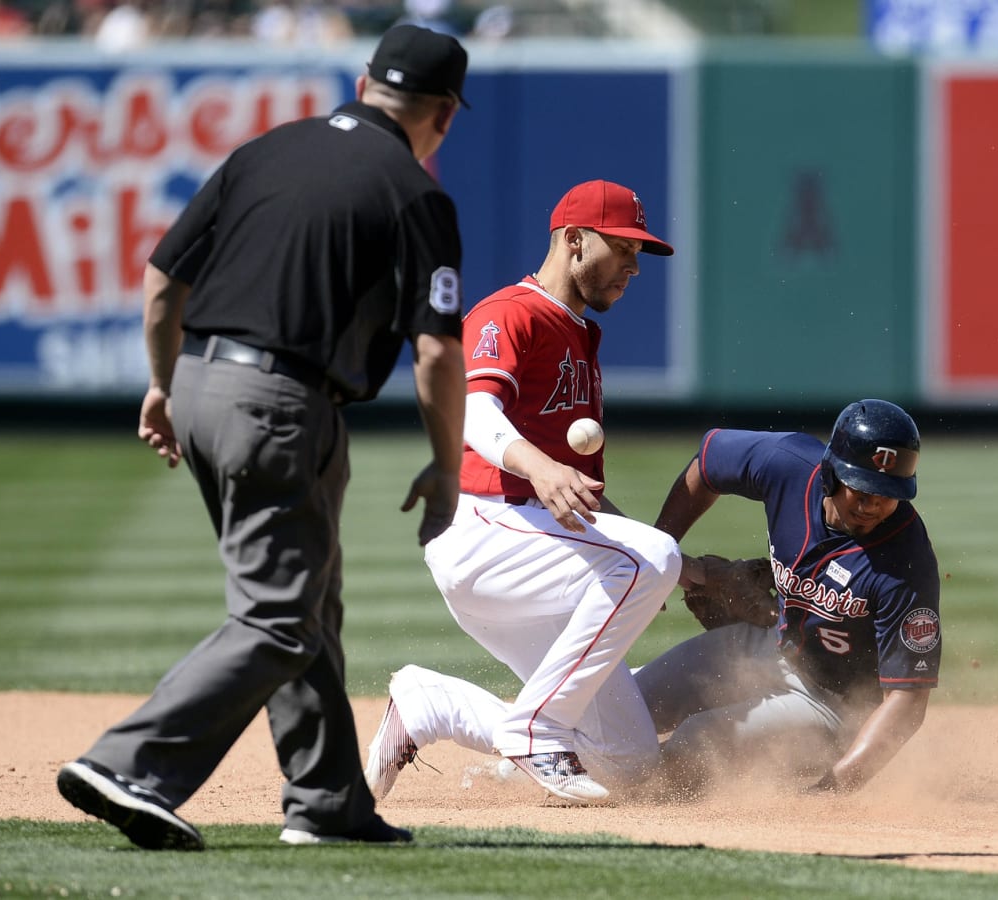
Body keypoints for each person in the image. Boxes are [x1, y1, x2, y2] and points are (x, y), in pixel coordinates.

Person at [55, 24, 471, 850]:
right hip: (282, 403)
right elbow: (435, 350)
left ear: (363, 84)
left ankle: (328, 805)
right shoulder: (415, 190)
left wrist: (164, 385)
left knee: (308, 604)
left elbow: (163, 280)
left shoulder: (264, 151)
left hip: (203, 382)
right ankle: (131, 765)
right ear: (444, 115)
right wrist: (447, 465)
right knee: (280, 618)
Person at [361, 179, 683, 805]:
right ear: (572, 240)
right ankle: (537, 731)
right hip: (482, 530)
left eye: (637, 254)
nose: (633, 267)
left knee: (630, 765)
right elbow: (472, 412)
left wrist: (681, 571)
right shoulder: (512, 312)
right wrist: (540, 467)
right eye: (622, 249)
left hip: (530, 552)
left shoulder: (579, 337)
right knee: (653, 559)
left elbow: (574, 495)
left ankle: (429, 705)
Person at [634, 399, 941, 795]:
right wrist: (658, 553)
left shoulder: (905, 563)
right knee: (626, 704)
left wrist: (834, 789)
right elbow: (709, 461)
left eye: (887, 492)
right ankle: (537, 763)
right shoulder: (789, 465)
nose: (872, 505)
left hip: (835, 708)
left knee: (691, 747)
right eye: (861, 489)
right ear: (831, 473)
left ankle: (615, 791)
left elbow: (907, 703)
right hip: (771, 647)